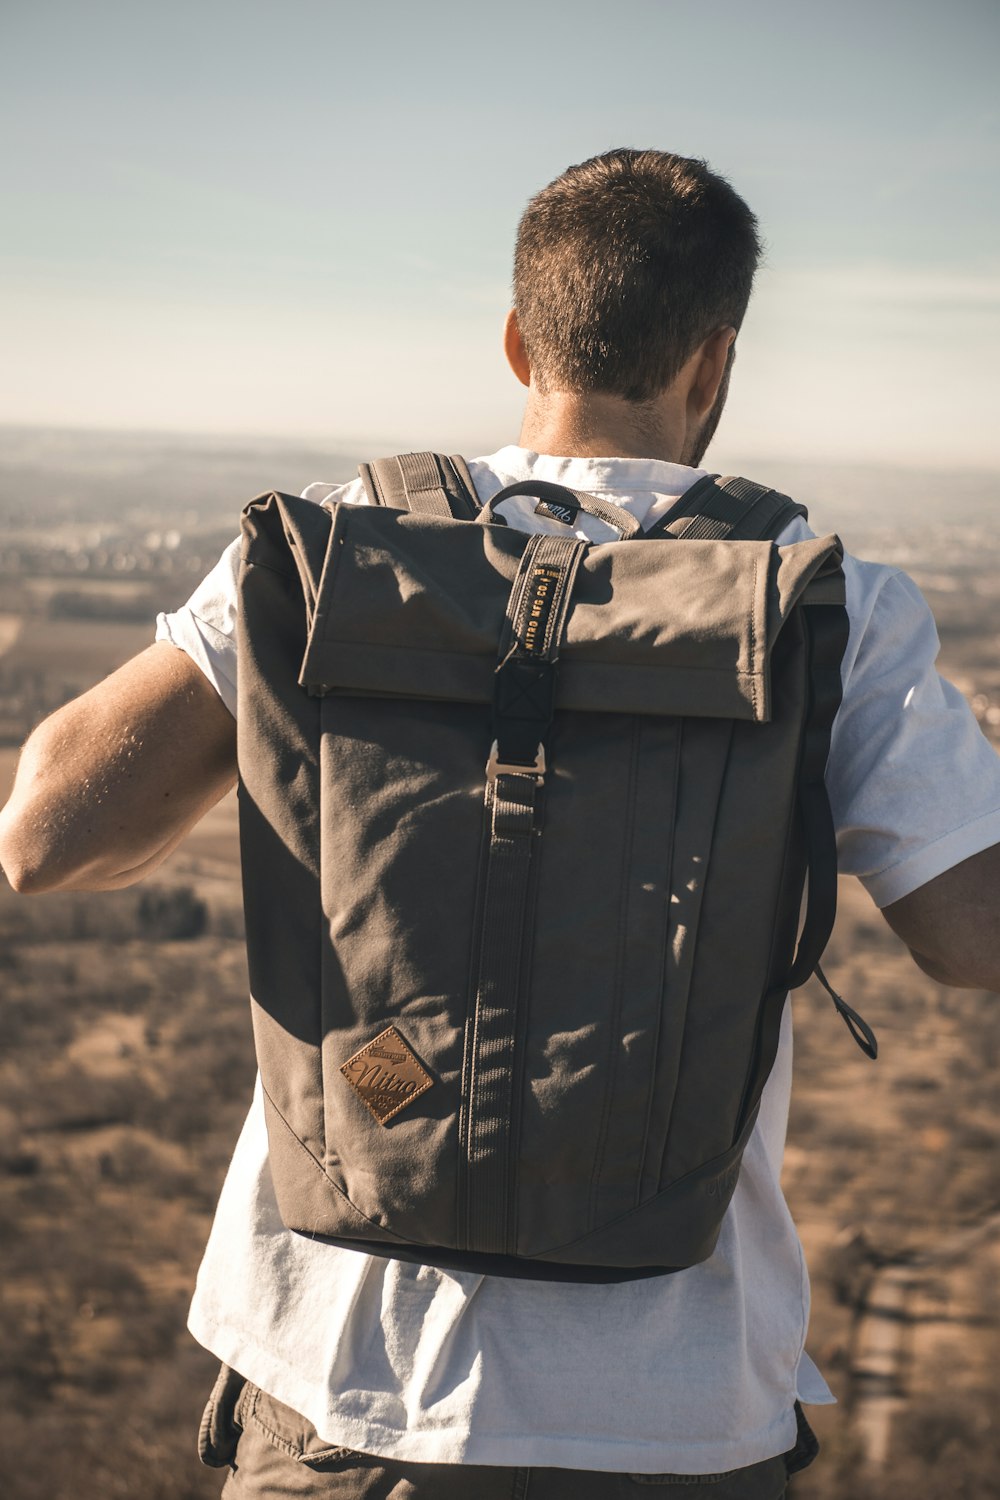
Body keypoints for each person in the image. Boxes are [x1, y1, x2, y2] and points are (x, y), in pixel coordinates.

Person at [2, 148, 999, 1500]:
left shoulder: (331, 553)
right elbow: (969, 932)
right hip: (673, 1417)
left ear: (520, 338)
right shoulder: (826, 609)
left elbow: (46, 830)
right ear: (714, 361)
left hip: (343, 1396)